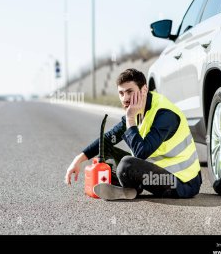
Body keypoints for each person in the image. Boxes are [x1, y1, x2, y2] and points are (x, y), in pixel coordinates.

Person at [64, 68, 202, 200]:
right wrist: (78, 160)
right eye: (121, 93)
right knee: (105, 152)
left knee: (127, 165)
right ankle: (128, 187)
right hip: (158, 174)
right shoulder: (137, 109)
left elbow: (141, 153)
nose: (125, 98)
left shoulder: (164, 115)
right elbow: (107, 139)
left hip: (182, 183)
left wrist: (130, 119)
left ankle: (128, 187)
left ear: (144, 90)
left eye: (130, 91)